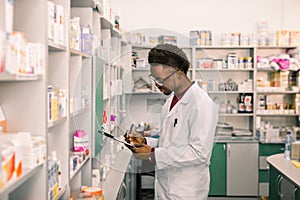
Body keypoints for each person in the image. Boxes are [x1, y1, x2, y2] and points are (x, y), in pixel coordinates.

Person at [127, 44, 218, 200]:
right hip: (164, 187)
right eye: (154, 78)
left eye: (161, 79)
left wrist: (152, 154)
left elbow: (199, 153)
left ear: (179, 73)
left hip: (186, 191)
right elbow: (170, 141)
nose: (157, 84)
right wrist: (145, 141)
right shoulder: (170, 102)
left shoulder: (201, 104)